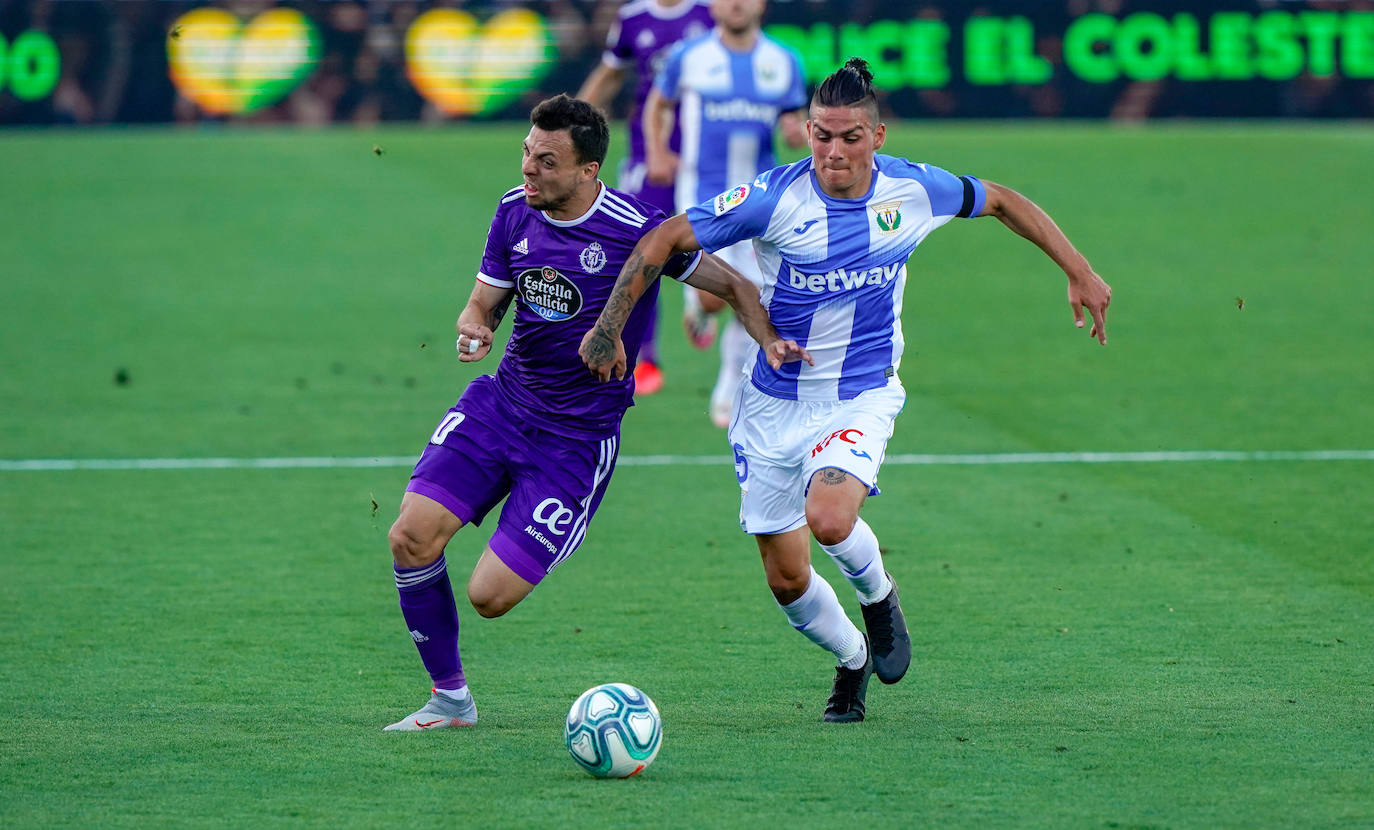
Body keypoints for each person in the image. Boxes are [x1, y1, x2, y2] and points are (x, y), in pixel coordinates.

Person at [579, 58, 1112, 723]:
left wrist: (1080, 271)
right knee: (787, 580)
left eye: (851, 137)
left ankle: (881, 598)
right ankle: (853, 657)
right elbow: (664, 239)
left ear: (878, 137)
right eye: (823, 135)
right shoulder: (775, 198)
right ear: (805, 133)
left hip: (862, 394)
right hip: (773, 404)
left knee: (830, 517)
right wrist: (610, 327)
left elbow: (1001, 199)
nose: (835, 150)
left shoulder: (914, 190)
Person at [383, 94, 809, 731]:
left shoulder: (640, 227)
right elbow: (484, 302)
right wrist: (474, 327)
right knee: (409, 537)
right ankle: (450, 702)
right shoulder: (512, 213)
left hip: (573, 444)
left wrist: (770, 340)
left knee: (488, 597)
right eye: (527, 152)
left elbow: (735, 286)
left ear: (588, 171)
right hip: (502, 405)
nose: (529, 169)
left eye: (546, 161)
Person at [643, 0, 808, 427]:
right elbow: (656, 105)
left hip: (761, 199)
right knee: (714, 298)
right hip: (701, 195)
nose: (736, 3)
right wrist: (658, 152)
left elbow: (794, 125)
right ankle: (697, 307)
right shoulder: (690, 56)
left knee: (755, 293)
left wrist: (796, 131)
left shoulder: (784, 61)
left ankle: (729, 384)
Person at [577, 0, 715, 396]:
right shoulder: (633, 18)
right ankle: (647, 355)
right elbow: (611, 73)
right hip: (647, 156)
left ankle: (700, 307)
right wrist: (572, 121)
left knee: (711, 246)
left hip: (702, 158)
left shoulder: (708, 14)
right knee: (640, 249)